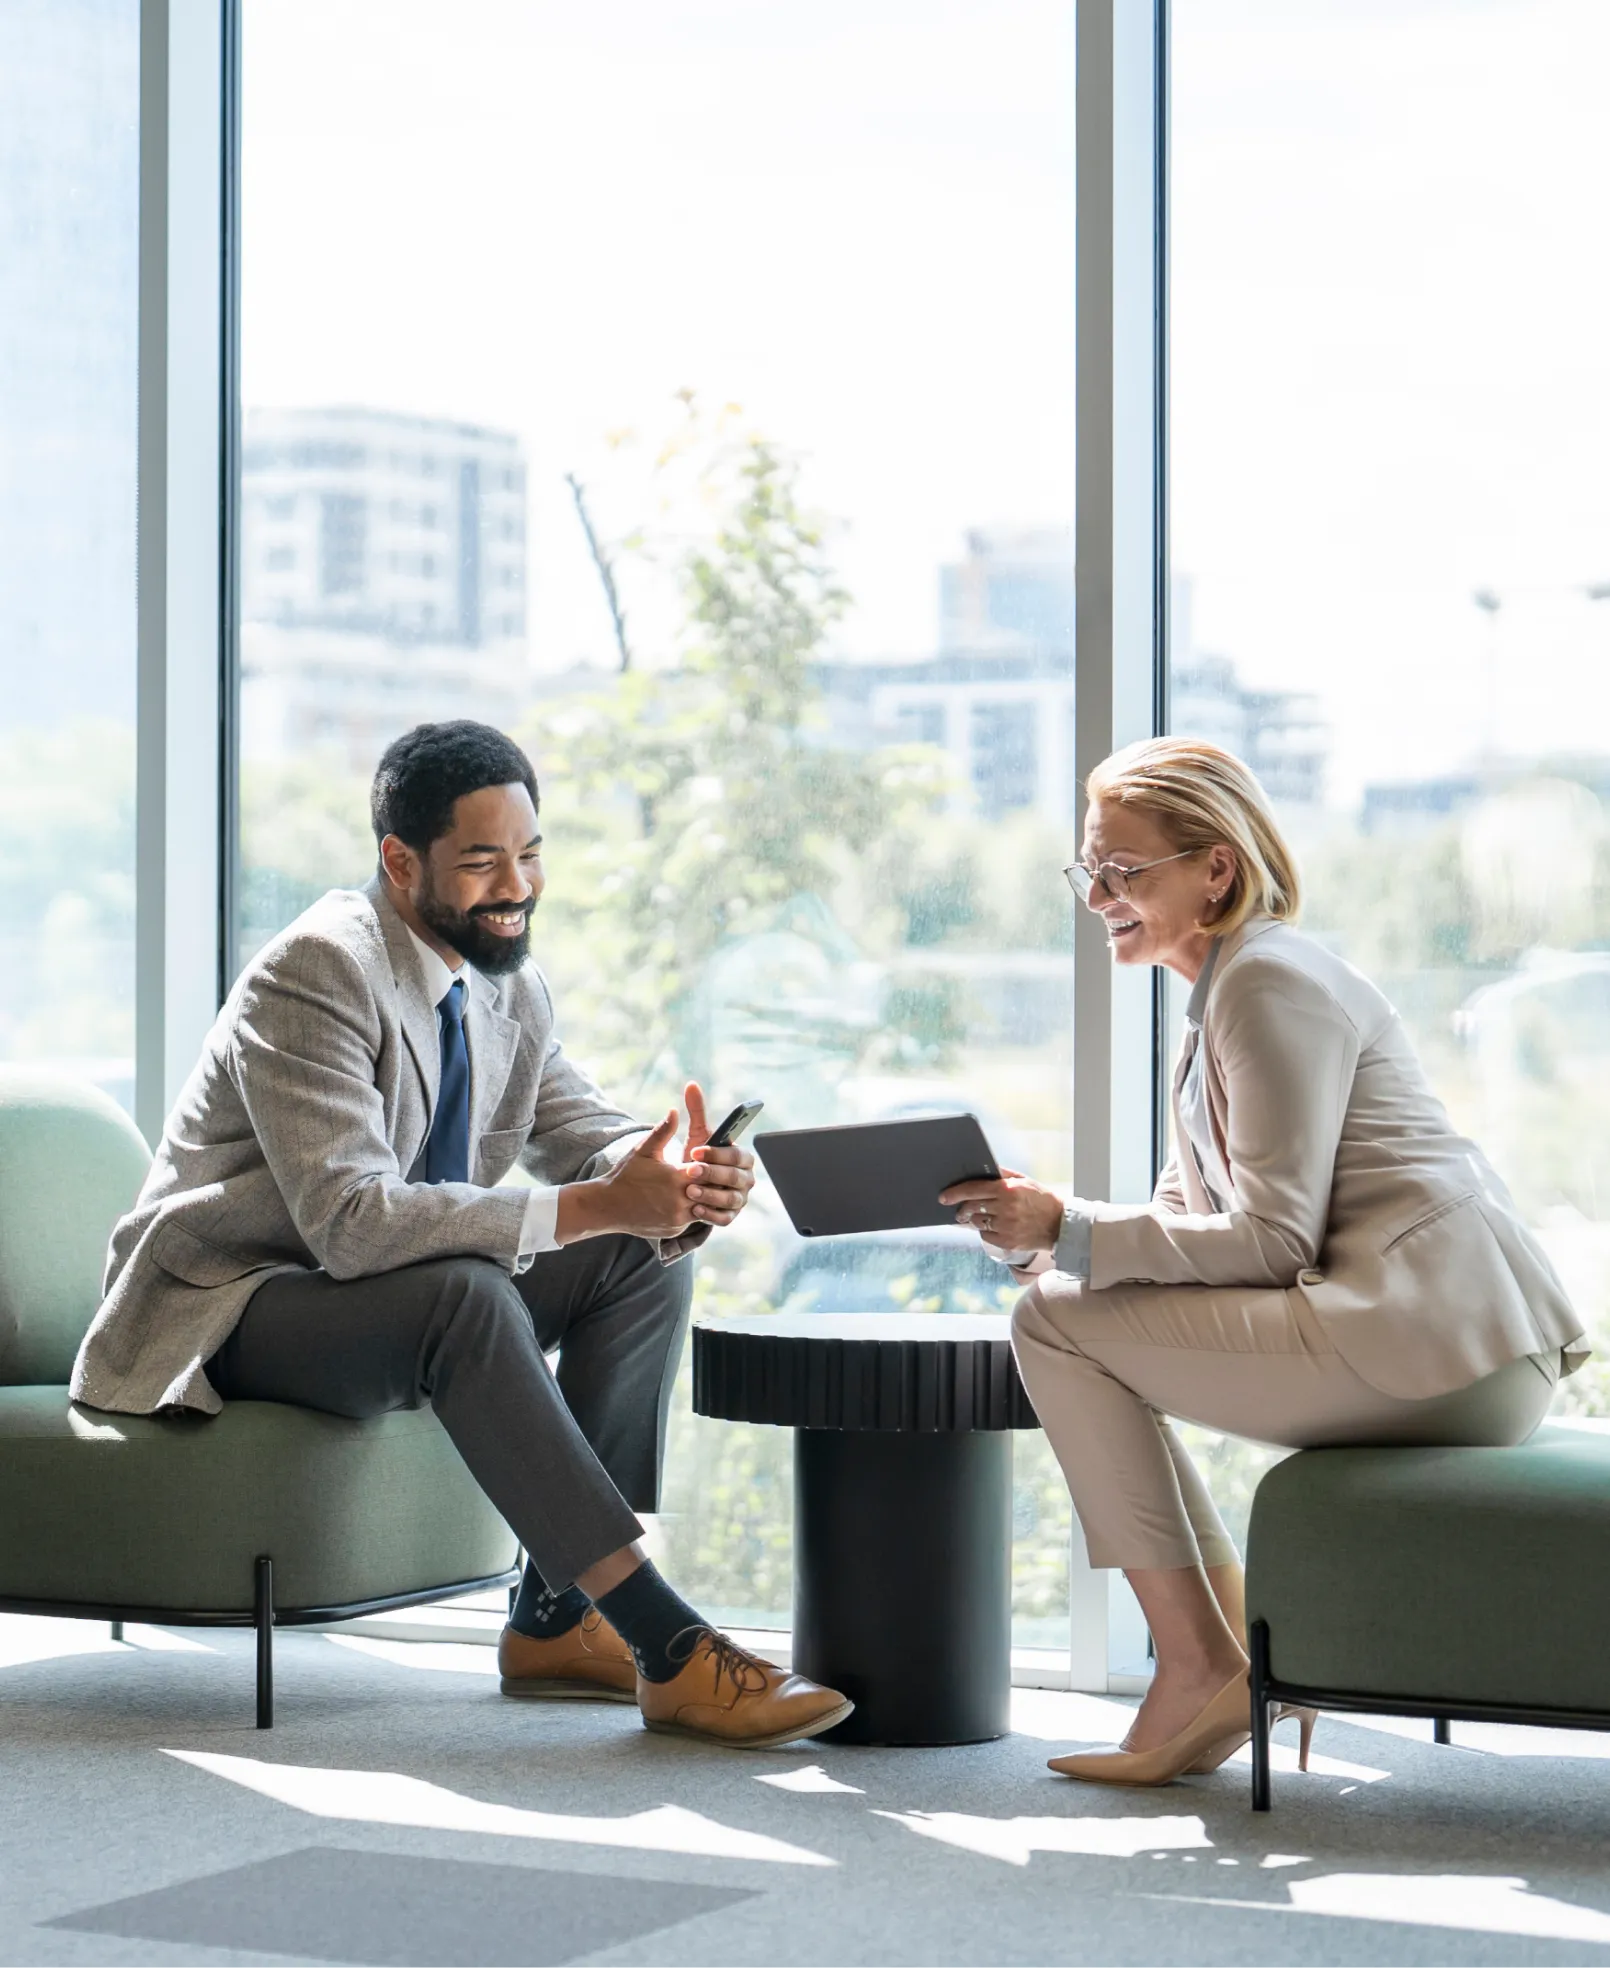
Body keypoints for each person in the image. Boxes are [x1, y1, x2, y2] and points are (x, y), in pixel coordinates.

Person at [72, 720, 850, 1750]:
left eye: (529, 855)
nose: (515, 886)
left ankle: (554, 1622)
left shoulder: (507, 983)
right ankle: (665, 1644)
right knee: (466, 1294)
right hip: (235, 1305)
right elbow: (351, 1225)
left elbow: (581, 1132)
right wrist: (593, 1202)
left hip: (376, 1299)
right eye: (482, 862)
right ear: (401, 862)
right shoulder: (314, 971)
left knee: (636, 1258)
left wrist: (661, 1177)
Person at [941, 737, 1586, 1786]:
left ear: (1214, 869)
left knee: (1050, 1325)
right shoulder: (1222, 996)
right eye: (1087, 869)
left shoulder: (1264, 985)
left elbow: (1272, 1241)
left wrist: (1064, 1234)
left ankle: (1203, 1664)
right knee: (1056, 1312)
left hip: (1432, 1350)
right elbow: (1177, 1218)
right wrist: (1043, 1238)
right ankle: (1225, 1664)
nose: (1096, 892)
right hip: (1429, 1342)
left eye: (1122, 869)